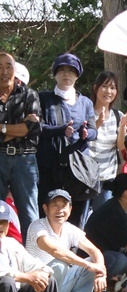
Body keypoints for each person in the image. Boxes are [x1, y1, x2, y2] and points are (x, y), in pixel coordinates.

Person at [26, 189, 107, 292]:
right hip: (34, 285)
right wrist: (88, 265)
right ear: (45, 209)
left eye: (63, 206)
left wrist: (100, 273)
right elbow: (55, 250)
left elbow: (94, 250)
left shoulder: (69, 228)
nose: (59, 210)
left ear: (70, 209)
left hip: (56, 282)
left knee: (94, 260)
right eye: (54, 205)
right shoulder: (37, 226)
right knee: (60, 264)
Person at [37, 53, 97, 227]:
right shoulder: (44, 98)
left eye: (71, 71)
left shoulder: (86, 102)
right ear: (55, 74)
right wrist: (61, 130)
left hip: (78, 171)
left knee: (76, 218)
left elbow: (94, 130)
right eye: (61, 70)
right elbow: (37, 127)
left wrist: (87, 133)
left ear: (77, 75)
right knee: (47, 214)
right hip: (50, 168)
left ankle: (72, 253)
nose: (66, 74)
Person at [0, 51, 41, 241]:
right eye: (0, 67)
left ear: (15, 70)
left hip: (25, 159)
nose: (4, 71)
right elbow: (24, 128)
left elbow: (32, 128)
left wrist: (2, 129)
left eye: (8, 66)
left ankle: (34, 260)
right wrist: (19, 128)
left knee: (29, 214)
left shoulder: (29, 95)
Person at [87, 71, 127, 215]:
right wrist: (97, 124)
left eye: (112, 88)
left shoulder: (118, 116)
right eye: (104, 86)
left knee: (101, 221)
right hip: (83, 179)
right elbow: (80, 140)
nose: (108, 91)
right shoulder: (85, 112)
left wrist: (123, 126)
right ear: (95, 88)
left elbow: (121, 148)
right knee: (80, 222)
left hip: (106, 180)